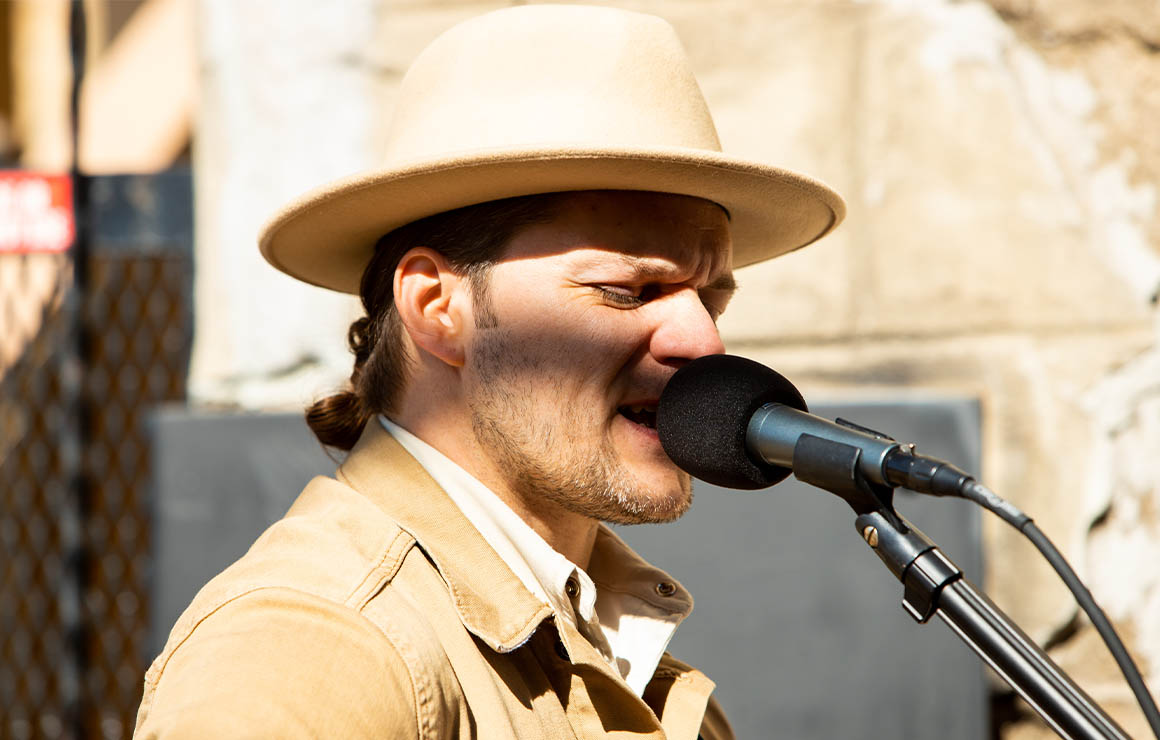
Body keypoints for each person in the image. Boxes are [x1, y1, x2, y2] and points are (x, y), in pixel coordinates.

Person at [134, 5, 844, 738]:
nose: (702, 340)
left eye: (712, 297)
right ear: (438, 306)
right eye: (627, 290)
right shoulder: (311, 645)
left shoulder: (615, 632)